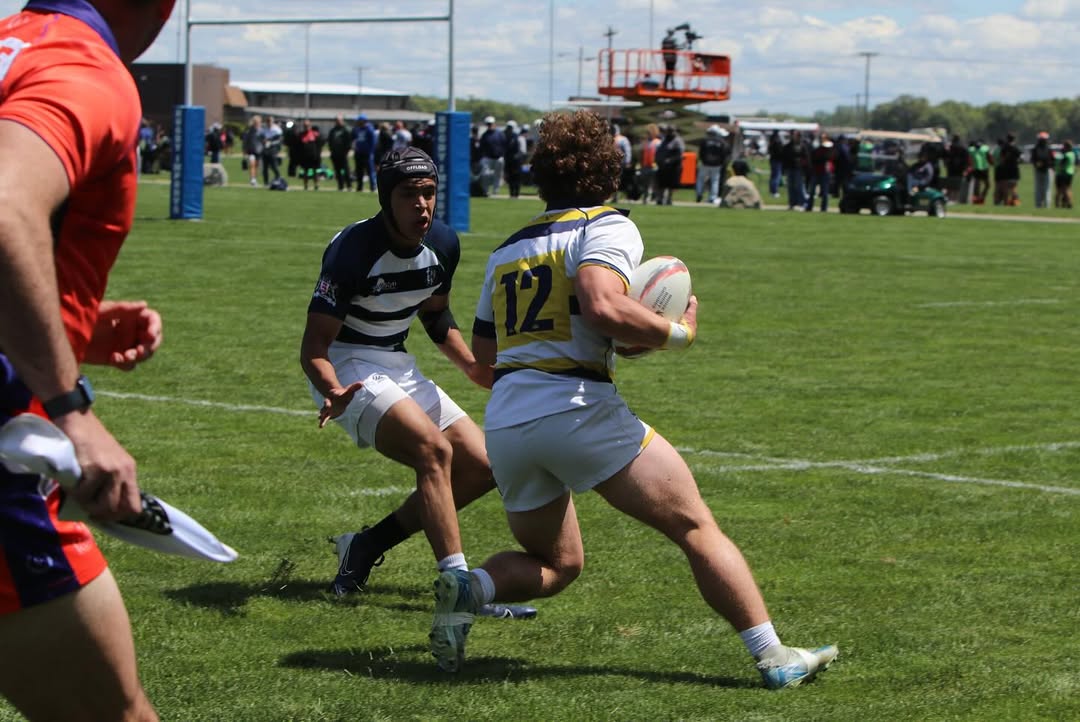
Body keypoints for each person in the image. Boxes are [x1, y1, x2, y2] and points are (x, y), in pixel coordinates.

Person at [425, 110, 838, 689]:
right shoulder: (607, 225)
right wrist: (675, 334)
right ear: (608, 171)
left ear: (542, 175)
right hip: (575, 406)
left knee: (559, 564)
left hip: (508, 421)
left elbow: (489, 359)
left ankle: (470, 588)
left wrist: (619, 340)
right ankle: (775, 658)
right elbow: (600, 304)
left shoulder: (505, 251)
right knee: (695, 526)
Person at [0, 1, 177, 719]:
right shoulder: (81, 64)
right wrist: (70, 405)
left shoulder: (12, 43)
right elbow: (4, 210)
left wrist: (66, 322)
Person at [299, 147, 534, 621]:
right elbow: (314, 347)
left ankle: (366, 546)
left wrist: (472, 366)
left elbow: (435, 315)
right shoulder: (351, 251)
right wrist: (332, 389)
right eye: (409, 194)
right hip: (347, 367)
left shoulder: (443, 243)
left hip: (396, 363)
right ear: (386, 198)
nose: (422, 205)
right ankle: (458, 588)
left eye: (429, 193)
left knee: (483, 466)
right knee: (435, 451)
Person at [695, 125, 729, 205]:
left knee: (700, 179)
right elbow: (724, 153)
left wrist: (701, 160)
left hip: (705, 163)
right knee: (715, 181)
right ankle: (712, 197)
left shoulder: (704, 140)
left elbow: (701, 152)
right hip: (716, 164)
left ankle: (699, 193)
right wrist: (721, 162)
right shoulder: (721, 142)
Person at [654, 124, 684, 205]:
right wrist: (658, 159)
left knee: (671, 185)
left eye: (671, 131)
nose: (669, 133)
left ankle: (669, 199)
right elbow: (659, 151)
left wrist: (669, 160)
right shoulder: (664, 140)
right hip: (663, 166)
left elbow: (679, 155)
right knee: (661, 184)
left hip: (673, 167)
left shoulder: (678, 141)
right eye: (668, 131)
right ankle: (660, 199)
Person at [806, 134, 835, 212]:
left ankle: (824, 208)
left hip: (825, 173)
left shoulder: (830, 150)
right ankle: (809, 206)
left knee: (825, 191)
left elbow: (832, 158)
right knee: (812, 191)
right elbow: (813, 158)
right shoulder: (817, 150)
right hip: (816, 172)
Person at [327, 114, 353, 192]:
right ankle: (340, 186)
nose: (338, 122)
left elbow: (349, 142)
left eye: (339, 120)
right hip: (335, 154)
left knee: (346, 170)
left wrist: (347, 151)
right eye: (337, 120)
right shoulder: (333, 130)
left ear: (342, 121)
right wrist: (331, 150)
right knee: (337, 171)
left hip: (343, 154)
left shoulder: (346, 130)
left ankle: (349, 186)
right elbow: (330, 141)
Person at [352, 114, 377, 192]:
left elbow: (373, 142)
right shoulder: (358, 129)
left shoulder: (369, 129)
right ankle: (359, 187)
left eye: (358, 121)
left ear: (363, 121)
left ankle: (373, 186)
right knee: (359, 170)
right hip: (358, 153)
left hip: (367, 153)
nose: (357, 122)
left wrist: (370, 152)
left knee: (370, 170)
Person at [1031, 132, 1054, 209]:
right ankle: (1046, 205)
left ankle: (1039, 204)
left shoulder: (1035, 149)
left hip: (1040, 170)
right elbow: (1052, 160)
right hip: (1046, 170)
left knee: (1039, 188)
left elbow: (1033, 160)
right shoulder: (1049, 149)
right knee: (1046, 188)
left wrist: (1037, 164)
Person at [297, 119, 321, 191]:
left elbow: (319, 144)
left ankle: (316, 185)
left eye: (307, 126)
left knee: (315, 171)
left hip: (313, 156)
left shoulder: (315, 134)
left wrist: (318, 154)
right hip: (305, 156)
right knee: (305, 172)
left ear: (310, 126)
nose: (306, 127)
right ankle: (306, 185)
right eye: (305, 126)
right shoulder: (301, 135)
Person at [260, 116, 283, 187]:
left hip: (273, 148)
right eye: (267, 121)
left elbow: (279, 139)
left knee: (273, 165)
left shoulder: (276, 129)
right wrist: (263, 141)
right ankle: (266, 182)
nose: (269, 123)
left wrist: (271, 142)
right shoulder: (264, 129)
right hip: (265, 149)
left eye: (270, 121)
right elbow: (261, 137)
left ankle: (278, 177)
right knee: (265, 167)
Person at [242, 115, 263, 187]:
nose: (257, 124)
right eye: (255, 122)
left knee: (257, 165)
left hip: (259, 151)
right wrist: (244, 150)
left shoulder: (261, 131)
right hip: (251, 150)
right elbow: (245, 142)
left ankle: (255, 178)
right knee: (252, 164)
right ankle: (252, 179)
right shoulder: (249, 131)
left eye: (258, 122)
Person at [1054, 139, 1074, 209]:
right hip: (1070, 173)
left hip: (1063, 173)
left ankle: (1061, 203)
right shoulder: (1072, 154)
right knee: (1068, 188)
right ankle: (1066, 202)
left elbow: (1061, 164)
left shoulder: (1066, 155)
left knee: (1061, 189)